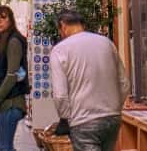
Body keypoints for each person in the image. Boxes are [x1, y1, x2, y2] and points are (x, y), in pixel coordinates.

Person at [49, 11, 126, 151]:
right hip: (112, 118)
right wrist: (115, 107)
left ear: (63, 26)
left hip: (83, 120)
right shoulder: (107, 43)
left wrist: (67, 118)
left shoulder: (59, 50)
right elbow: (124, 83)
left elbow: (60, 95)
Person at [0, 6, 31, 151]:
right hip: (3, 103)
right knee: (1, 145)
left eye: (3, 18)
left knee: (4, 146)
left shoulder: (13, 41)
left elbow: (12, 75)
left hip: (12, 102)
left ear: (10, 21)